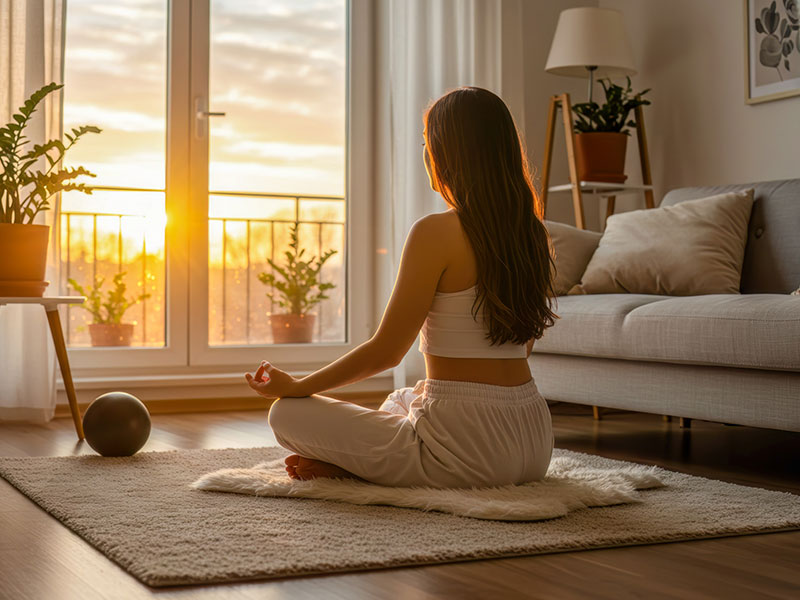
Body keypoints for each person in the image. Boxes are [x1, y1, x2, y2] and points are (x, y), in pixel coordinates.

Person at [245, 86, 556, 489]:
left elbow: (386, 352)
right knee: (402, 400)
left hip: (467, 450)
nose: (425, 154)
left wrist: (298, 386)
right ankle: (380, 463)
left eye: (427, 143)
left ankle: (363, 468)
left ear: (447, 154)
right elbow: (521, 347)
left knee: (285, 413)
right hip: (533, 437)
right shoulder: (533, 234)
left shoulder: (435, 232)